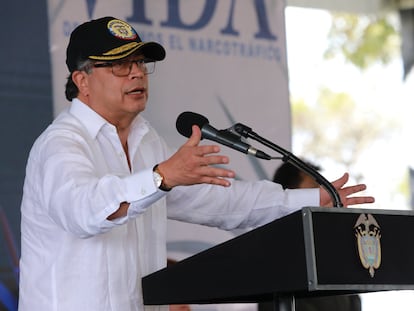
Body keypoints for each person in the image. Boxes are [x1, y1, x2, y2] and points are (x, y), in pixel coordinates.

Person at [18, 16, 374, 311]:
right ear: (82, 80)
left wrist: (312, 200)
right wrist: (161, 177)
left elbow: (221, 201)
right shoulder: (61, 144)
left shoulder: (147, 141)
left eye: (141, 62)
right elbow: (84, 211)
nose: (136, 74)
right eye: (119, 65)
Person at [270, 161, 361, 311]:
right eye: (314, 190)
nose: (323, 198)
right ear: (288, 195)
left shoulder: (332, 251)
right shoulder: (275, 258)